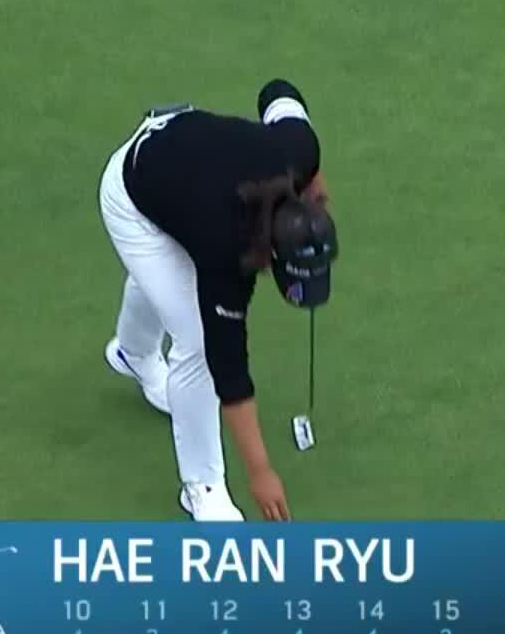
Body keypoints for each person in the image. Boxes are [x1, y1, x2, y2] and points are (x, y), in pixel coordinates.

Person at [97, 79, 335, 522]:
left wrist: (316, 184)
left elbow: (278, 91)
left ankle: (132, 352)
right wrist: (260, 472)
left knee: (170, 280)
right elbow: (230, 373)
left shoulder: (298, 150)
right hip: (132, 195)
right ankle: (202, 488)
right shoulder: (227, 254)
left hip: (181, 160)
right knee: (197, 341)